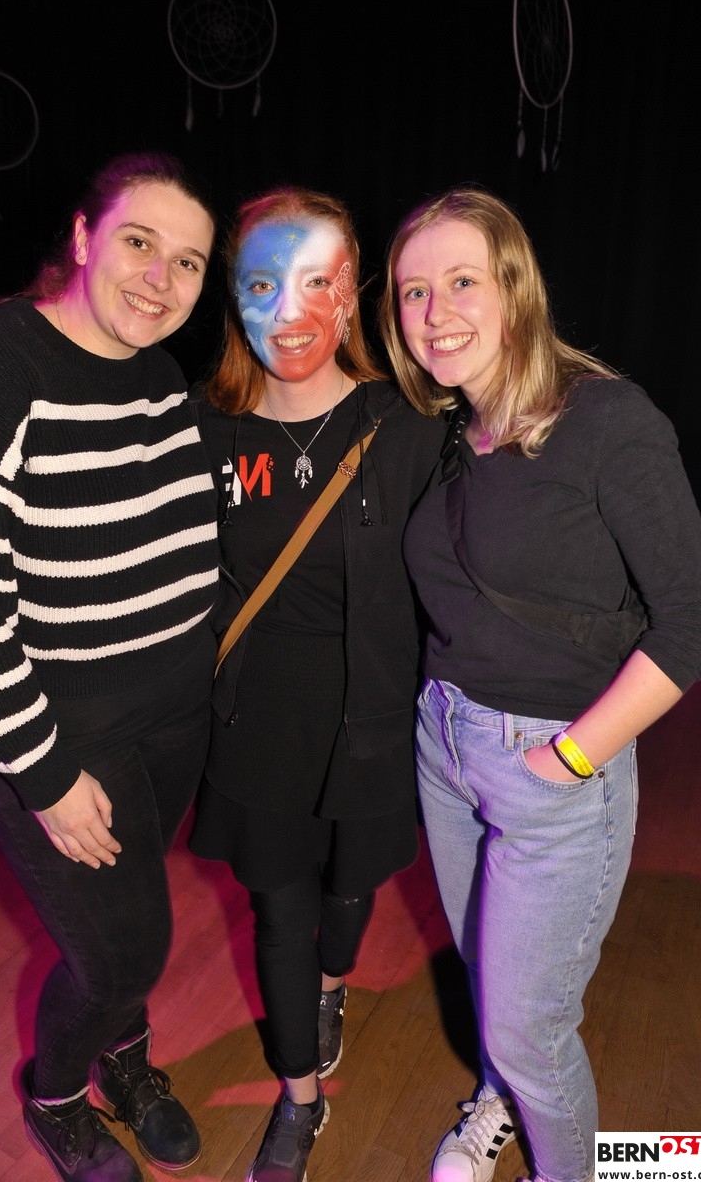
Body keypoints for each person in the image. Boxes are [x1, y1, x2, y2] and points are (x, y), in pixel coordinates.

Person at [378, 186, 701, 1182]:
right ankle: (498, 1100)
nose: (435, 312)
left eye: (462, 282)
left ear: (515, 287)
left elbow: (691, 625)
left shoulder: (607, 420)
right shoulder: (451, 428)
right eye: (412, 291)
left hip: (555, 765)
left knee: (530, 1028)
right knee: (491, 980)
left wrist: (567, 759)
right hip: (444, 746)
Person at [0, 151, 220, 1182]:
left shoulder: (159, 378)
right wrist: (42, 775)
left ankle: (124, 1060)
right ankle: (54, 1097)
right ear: (85, 238)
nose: (162, 280)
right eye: (140, 242)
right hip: (57, 731)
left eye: (189, 262)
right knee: (124, 950)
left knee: (128, 921)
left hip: (170, 719)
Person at [187, 185, 447, 1182]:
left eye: (316, 282)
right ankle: (300, 1099)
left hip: (373, 717)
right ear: (235, 296)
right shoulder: (203, 431)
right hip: (254, 724)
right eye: (262, 284)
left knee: (351, 886)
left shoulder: (410, 424)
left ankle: (335, 985)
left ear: (353, 291)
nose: (289, 311)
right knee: (279, 912)